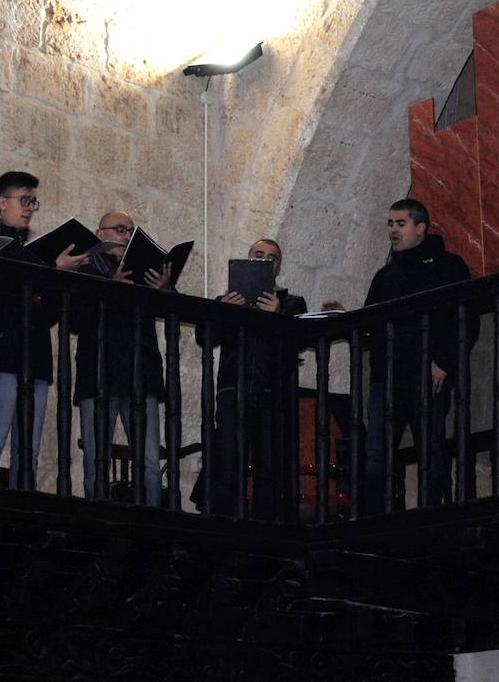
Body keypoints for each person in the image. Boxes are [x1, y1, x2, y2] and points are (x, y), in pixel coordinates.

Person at [327, 198, 476, 512]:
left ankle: (433, 515)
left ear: (420, 228)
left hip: (427, 373)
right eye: (390, 224)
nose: (393, 230)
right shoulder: (385, 276)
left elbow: (465, 320)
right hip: (386, 377)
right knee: (376, 456)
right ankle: (375, 520)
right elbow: (371, 326)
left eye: (401, 223)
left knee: (430, 452)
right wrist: (345, 319)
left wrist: (444, 362)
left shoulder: (449, 266)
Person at [0, 170, 88, 488]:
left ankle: (21, 514)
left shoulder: (34, 252)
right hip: (3, 354)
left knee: (27, 449)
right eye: (24, 200)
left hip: (37, 356)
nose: (29, 207)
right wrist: (53, 270)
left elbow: (52, 313)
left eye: (33, 201)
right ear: (3, 202)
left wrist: (59, 277)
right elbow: (0, 295)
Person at [193, 239, 307, 519]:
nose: (265, 260)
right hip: (233, 389)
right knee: (228, 461)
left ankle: (264, 530)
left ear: (278, 267)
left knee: (268, 465)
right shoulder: (228, 300)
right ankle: (224, 527)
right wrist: (226, 312)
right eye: (259, 255)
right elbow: (203, 336)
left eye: (272, 258)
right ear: (247, 260)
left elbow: (300, 340)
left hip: (271, 391)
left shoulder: (292, 303)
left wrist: (278, 314)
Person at [72, 210, 172, 505]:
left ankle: (152, 529)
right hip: (98, 374)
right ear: (100, 233)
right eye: (119, 229)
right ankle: (97, 528)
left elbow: (169, 312)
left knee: (150, 465)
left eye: (130, 231)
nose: (126, 236)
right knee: (96, 462)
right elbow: (76, 320)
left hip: (141, 375)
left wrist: (164, 290)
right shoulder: (86, 271)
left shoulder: (143, 274)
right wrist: (108, 288)